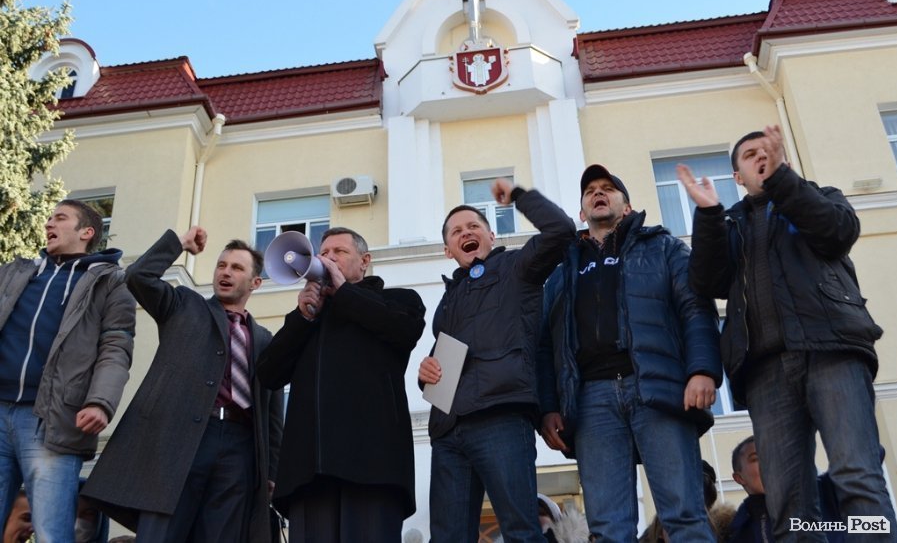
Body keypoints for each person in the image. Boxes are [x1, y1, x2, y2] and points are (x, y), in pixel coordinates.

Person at [678, 125, 897, 541]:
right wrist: (708, 215)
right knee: (787, 501)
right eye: (749, 155)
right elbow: (707, 282)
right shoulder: (730, 223)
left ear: (785, 160)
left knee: (857, 477)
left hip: (832, 353)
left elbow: (837, 232)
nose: (760, 156)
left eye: (768, 150)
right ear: (737, 177)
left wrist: (783, 182)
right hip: (766, 373)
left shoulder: (821, 197)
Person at [537, 165, 722, 542]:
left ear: (627, 207)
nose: (598, 192)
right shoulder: (562, 272)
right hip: (591, 400)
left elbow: (695, 308)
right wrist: (548, 406)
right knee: (607, 527)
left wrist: (702, 369)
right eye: (590, 190)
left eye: (608, 188)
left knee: (684, 514)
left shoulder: (664, 248)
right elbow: (545, 343)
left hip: (658, 388)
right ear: (581, 212)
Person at [82, 227, 283, 542]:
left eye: (236, 268)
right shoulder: (183, 305)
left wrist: (271, 471)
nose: (225, 272)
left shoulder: (265, 340)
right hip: (178, 442)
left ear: (255, 282)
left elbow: (273, 412)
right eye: (221, 265)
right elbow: (138, 276)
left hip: (240, 448)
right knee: (162, 533)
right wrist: (179, 243)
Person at [418, 178, 575, 543]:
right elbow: (447, 358)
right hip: (448, 430)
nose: (466, 232)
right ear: (448, 250)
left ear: (490, 235)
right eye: (457, 231)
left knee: (521, 530)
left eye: (474, 226)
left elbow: (561, 231)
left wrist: (519, 196)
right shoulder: (448, 300)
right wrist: (426, 374)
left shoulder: (516, 267)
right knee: (447, 538)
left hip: (501, 416)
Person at [256, 227, 426, 542]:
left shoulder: (398, 300)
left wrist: (344, 292)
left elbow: (404, 329)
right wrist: (302, 318)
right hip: (309, 472)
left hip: (374, 466)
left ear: (365, 261)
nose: (328, 259)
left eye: (340, 252)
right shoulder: (309, 317)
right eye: (323, 253)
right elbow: (268, 373)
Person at [0, 200, 136, 541]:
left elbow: (116, 347)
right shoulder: (15, 273)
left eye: (60, 218)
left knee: (52, 533)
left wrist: (100, 402)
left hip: (51, 420)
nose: (49, 223)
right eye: (49, 218)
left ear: (86, 232)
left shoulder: (110, 282)